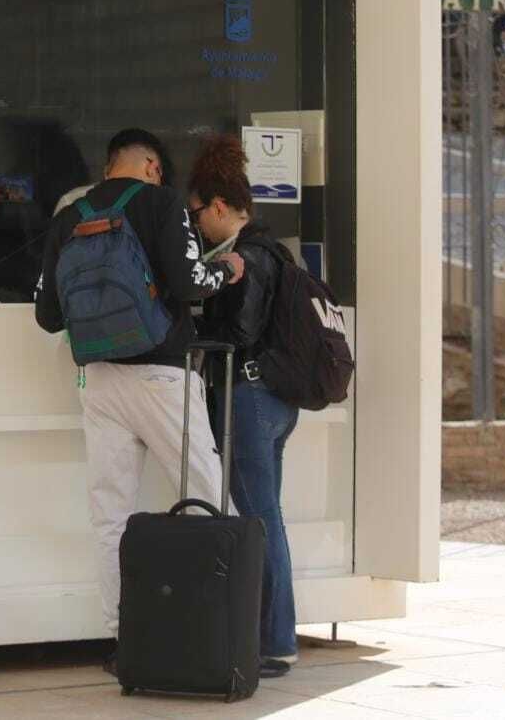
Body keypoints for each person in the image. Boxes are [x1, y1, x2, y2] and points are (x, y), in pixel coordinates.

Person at [34, 128, 243, 662]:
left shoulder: (67, 219)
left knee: (111, 514)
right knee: (207, 498)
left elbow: (47, 314)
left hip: (99, 380)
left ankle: (126, 637)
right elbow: (190, 282)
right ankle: (225, 635)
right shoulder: (163, 204)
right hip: (162, 376)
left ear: (109, 166)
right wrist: (228, 270)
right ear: (151, 165)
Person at [187, 134, 296, 677]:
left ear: (220, 207)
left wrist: (198, 322)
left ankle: (273, 642)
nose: (195, 224)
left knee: (257, 519)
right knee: (266, 515)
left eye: (197, 213)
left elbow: (243, 328)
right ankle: (275, 636)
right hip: (273, 398)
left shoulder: (245, 257)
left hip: (248, 396)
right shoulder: (274, 247)